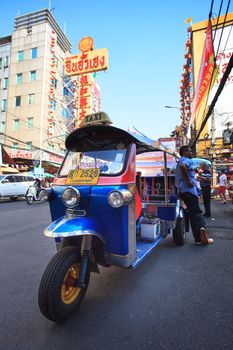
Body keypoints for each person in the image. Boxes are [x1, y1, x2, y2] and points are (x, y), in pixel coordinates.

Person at [175, 146, 213, 245]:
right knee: (196, 213)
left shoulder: (180, 160)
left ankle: (198, 237)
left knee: (193, 213)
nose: (192, 152)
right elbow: (184, 166)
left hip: (183, 191)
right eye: (190, 151)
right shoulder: (186, 160)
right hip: (189, 191)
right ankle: (200, 237)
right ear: (184, 152)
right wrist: (188, 181)